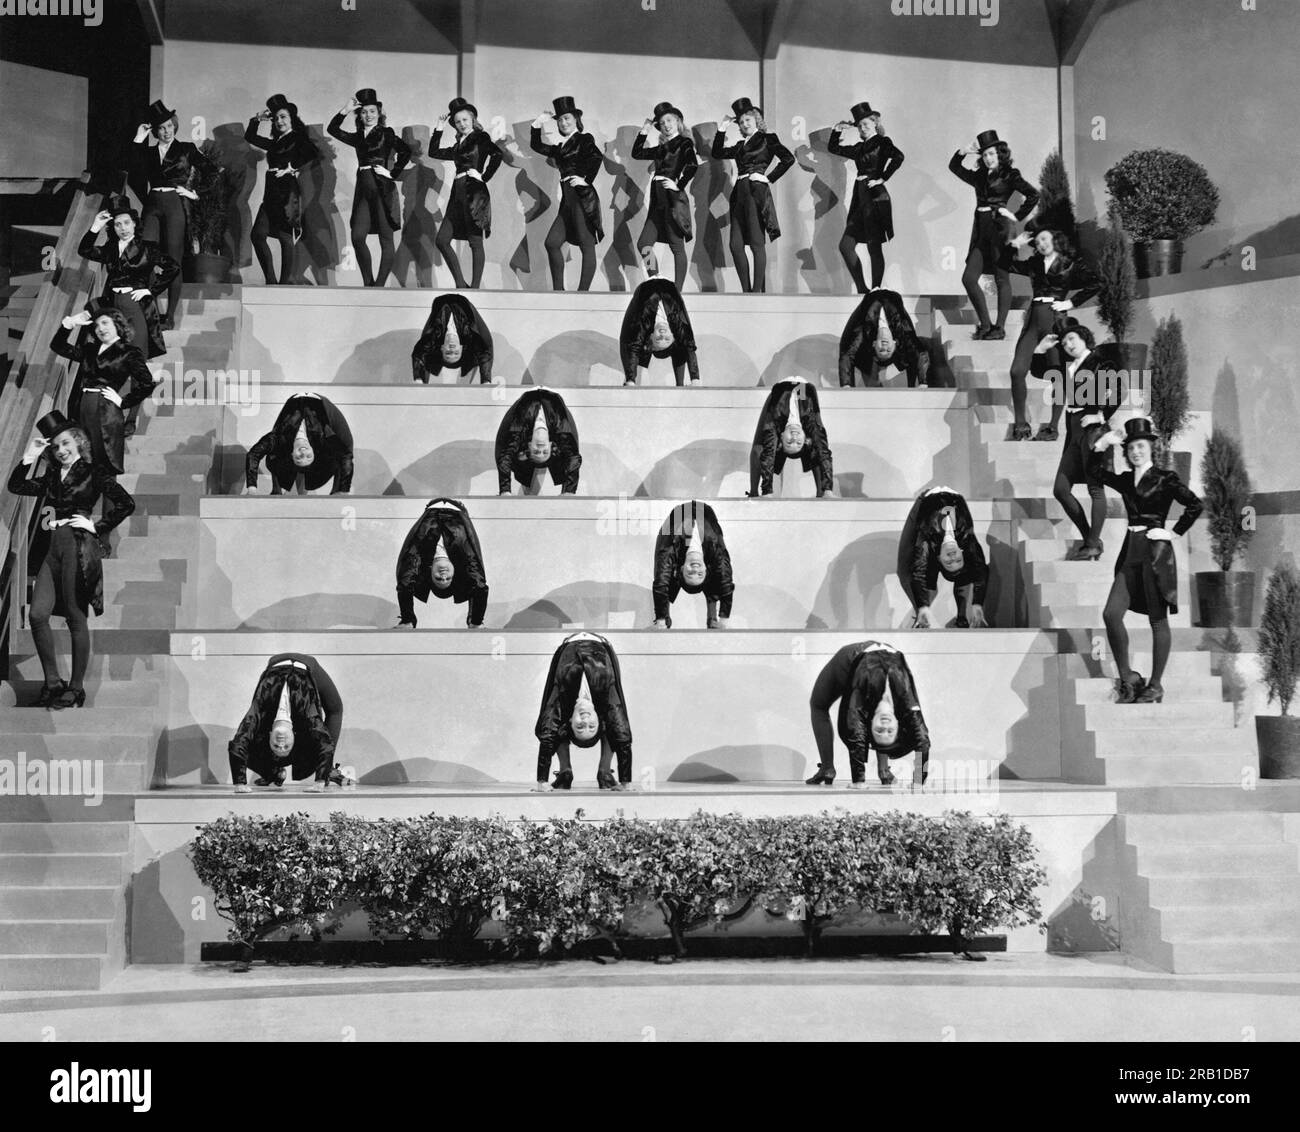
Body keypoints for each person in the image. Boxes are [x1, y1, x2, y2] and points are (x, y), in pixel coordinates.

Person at [7, 411, 135, 709]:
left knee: (75, 616)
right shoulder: (52, 475)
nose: (61, 451)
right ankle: (52, 682)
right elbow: (17, 486)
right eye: (56, 447)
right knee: (38, 614)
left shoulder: (94, 472)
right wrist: (29, 456)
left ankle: (76, 687)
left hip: (79, 547)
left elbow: (127, 503)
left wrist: (97, 526)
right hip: (52, 549)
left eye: (65, 444)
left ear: (78, 442)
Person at [1089, 417, 1203, 704]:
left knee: (1157, 621)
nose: (1136, 452)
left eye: (1141, 446)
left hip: (1156, 554)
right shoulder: (1127, 480)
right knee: (1111, 614)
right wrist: (1103, 445)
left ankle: (1155, 684)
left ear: (1151, 447)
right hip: (1130, 552)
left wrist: (1173, 532)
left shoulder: (1166, 478)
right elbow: (1096, 475)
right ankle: (1128, 676)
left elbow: (1195, 504)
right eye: (1131, 448)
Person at [1029, 319, 1121, 560]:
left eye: (1073, 339)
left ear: (1084, 339)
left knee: (1095, 488)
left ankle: (1091, 543)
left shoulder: (1100, 362)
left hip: (1093, 431)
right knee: (1060, 488)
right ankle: (1090, 537)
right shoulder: (1067, 368)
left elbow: (1118, 391)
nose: (1069, 344)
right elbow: (1038, 371)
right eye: (1065, 340)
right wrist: (1041, 349)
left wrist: (1100, 415)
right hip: (1073, 431)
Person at [1002, 227, 1100, 440]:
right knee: (1017, 371)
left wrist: (1071, 302)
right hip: (1033, 320)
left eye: (1044, 239)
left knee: (1058, 375)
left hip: (1055, 321)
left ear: (1055, 239)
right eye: (1037, 242)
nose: (1041, 244)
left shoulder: (1070, 264)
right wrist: (1014, 245)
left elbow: (1096, 283)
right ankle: (1021, 423)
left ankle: (1053, 427)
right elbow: (1004, 264)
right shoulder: (1034, 264)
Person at [948, 129, 1039, 342]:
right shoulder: (979, 175)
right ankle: (986, 324)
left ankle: (999, 327)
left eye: (992, 154)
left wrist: (1016, 215)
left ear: (1000, 154)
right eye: (985, 155)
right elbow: (954, 168)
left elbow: (1034, 195)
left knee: (1001, 278)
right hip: (981, 231)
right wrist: (963, 152)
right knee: (969, 278)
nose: (989, 159)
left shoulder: (1010, 174)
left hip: (1000, 230)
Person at [130, 99, 213, 329]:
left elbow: (213, 172)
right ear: (154, 131)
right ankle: (151, 314)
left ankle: (170, 317)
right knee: (145, 259)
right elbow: (129, 166)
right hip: (153, 206)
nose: (166, 132)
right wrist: (138, 137)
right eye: (160, 128)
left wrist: (194, 193)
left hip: (175, 205)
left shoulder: (186, 148)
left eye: (169, 126)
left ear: (174, 126)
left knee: (173, 262)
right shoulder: (147, 152)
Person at [806, 639, 931, 787]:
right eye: (889, 731)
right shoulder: (905, 697)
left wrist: (858, 781)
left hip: (862, 661)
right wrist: (918, 781)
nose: (885, 725)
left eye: (880, 730)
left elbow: (855, 729)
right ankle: (883, 770)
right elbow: (922, 739)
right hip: (855, 657)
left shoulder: (867, 692)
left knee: (821, 706)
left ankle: (828, 769)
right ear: (897, 726)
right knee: (825, 706)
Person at [51, 307, 159, 475]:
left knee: (106, 465)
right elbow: (58, 346)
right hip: (82, 407)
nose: (101, 328)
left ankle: (114, 501)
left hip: (105, 411)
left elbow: (147, 383)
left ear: (117, 325)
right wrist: (69, 323)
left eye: (105, 323)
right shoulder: (90, 350)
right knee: (84, 462)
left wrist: (123, 402)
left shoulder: (128, 352)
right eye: (96, 325)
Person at [77, 193, 179, 360]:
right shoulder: (110, 249)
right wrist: (95, 226)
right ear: (113, 227)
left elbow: (173, 267)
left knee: (136, 352)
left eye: (126, 223)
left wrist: (150, 291)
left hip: (136, 304)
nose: (123, 228)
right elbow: (84, 250)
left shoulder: (147, 248)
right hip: (113, 305)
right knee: (117, 356)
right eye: (117, 225)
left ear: (134, 224)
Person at [228, 653, 349, 793]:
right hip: (308, 665)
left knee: (248, 748)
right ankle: (326, 769)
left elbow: (237, 744)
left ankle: (272, 772)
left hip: (275, 662)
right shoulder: (307, 717)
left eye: (276, 746)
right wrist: (320, 781)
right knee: (335, 709)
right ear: (294, 737)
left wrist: (240, 784)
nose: (281, 743)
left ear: (270, 736)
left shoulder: (258, 714)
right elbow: (326, 744)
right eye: (286, 746)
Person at [327, 88, 411, 287]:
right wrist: (345, 110)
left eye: (372, 111)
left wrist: (392, 173)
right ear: (360, 115)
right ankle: (369, 282)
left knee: (385, 238)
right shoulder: (358, 137)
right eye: (364, 112)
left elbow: (405, 151)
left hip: (382, 188)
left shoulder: (386, 133)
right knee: (357, 236)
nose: (368, 115)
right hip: (363, 190)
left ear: (379, 112)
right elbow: (332, 130)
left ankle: (379, 285)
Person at [711, 97, 795, 293]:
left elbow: (788, 159)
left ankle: (757, 291)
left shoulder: (768, 139)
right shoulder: (740, 145)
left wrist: (769, 178)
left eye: (748, 120)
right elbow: (717, 152)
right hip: (739, 193)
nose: (744, 124)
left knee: (757, 242)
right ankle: (747, 290)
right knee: (735, 245)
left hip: (755, 192)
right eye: (740, 122)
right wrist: (723, 127)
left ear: (757, 120)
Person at [533, 631, 633, 791]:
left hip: (570, 643)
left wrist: (541, 781)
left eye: (580, 727)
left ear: (571, 722)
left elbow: (547, 733)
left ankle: (566, 770)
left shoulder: (563, 700)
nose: (585, 721)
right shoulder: (606, 699)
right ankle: (605, 771)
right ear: (597, 720)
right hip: (598, 643)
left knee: (555, 724)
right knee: (614, 722)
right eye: (591, 726)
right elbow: (622, 734)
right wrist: (626, 783)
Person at [826, 102, 905, 292]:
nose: (862, 128)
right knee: (846, 246)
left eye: (866, 124)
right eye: (859, 125)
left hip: (876, 198)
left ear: (875, 124)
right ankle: (863, 289)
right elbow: (834, 149)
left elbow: (899, 157)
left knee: (873, 246)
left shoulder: (883, 143)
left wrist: (882, 178)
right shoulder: (860, 148)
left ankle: (876, 288)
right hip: (860, 197)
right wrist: (837, 130)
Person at [429, 96, 505, 289]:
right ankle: (461, 284)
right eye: (457, 121)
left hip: (474, 192)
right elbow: (433, 152)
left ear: (472, 119)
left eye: (464, 120)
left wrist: (483, 176)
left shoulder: (481, 137)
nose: (461, 124)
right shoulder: (458, 145)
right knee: (442, 240)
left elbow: (497, 154)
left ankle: (475, 287)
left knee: (475, 241)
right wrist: (439, 127)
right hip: (457, 194)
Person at [529, 96, 604, 291]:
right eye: (560, 120)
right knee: (552, 243)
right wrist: (538, 123)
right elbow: (536, 146)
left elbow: (596, 157)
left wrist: (585, 179)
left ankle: (583, 292)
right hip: (567, 200)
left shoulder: (584, 139)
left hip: (581, 197)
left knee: (586, 244)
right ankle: (559, 292)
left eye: (567, 118)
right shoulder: (560, 147)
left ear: (576, 120)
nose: (563, 123)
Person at [245, 93, 320, 285]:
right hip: (271, 193)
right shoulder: (275, 142)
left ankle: (284, 282)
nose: (279, 121)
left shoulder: (297, 137)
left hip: (288, 193)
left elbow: (313, 152)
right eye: (276, 118)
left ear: (292, 118)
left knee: (285, 237)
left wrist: (291, 167)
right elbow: (250, 136)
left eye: (283, 117)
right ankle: (271, 280)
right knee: (258, 235)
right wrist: (257, 119)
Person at [631, 100, 699, 288]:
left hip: (672, 200)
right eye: (662, 123)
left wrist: (679, 185)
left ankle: (677, 291)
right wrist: (645, 129)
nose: (666, 126)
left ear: (678, 121)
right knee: (644, 244)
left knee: (677, 247)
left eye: (669, 121)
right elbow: (637, 153)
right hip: (657, 201)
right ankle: (656, 279)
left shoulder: (684, 142)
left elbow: (693, 165)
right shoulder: (661, 147)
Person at [394, 497, 489, 628]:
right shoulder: (465, 558)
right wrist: (475, 621)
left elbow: (405, 582)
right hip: (457, 508)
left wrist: (407, 619)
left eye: (438, 579)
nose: (443, 576)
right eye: (447, 579)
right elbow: (479, 586)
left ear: (431, 574)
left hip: (432, 508)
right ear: (454, 574)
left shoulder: (419, 556)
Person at [903, 486, 990, 629]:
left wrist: (923, 607)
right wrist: (977, 603)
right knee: (966, 574)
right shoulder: (967, 541)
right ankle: (962, 618)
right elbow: (981, 570)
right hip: (956, 493)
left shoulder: (928, 541)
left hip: (928, 495)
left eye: (948, 562)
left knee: (916, 572)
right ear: (962, 552)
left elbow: (918, 574)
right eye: (958, 560)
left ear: (939, 558)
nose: (952, 556)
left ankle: (923, 618)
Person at [245, 393, 354, 495]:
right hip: (322, 404)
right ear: (313, 452)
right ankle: (338, 491)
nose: (303, 452)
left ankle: (277, 490)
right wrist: (343, 489)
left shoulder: (280, 436)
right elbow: (345, 454)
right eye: (308, 456)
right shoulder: (322, 435)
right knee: (344, 450)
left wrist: (251, 487)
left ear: (292, 454)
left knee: (275, 454)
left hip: (294, 401)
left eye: (299, 457)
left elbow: (254, 454)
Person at [651, 500, 734, 629]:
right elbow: (726, 580)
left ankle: (663, 617)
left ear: (682, 568)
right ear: (706, 567)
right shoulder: (714, 547)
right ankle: (713, 618)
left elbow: (661, 582)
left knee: (663, 568)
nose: (695, 569)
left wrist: (661, 620)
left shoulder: (670, 548)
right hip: (705, 511)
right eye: (700, 573)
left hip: (678, 514)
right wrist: (724, 619)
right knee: (719, 570)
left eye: (690, 573)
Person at [748, 377, 834, 498]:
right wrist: (828, 490)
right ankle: (822, 491)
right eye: (798, 443)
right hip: (804, 386)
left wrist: (767, 491)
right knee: (818, 447)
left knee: (762, 444)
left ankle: (753, 491)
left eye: (789, 442)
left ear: (781, 437)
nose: (794, 438)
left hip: (781, 387)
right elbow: (824, 452)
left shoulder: (775, 423)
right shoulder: (811, 423)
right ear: (805, 438)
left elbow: (768, 453)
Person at [837, 288, 931, 388]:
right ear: (894, 343)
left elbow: (847, 354)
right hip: (891, 289)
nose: (885, 346)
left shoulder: (865, 331)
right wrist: (923, 383)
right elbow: (921, 354)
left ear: (874, 344)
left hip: (871, 292)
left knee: (851, 348)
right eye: (888, 350)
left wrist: (846, 385)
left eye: (881, 350)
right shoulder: (902, 333)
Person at [494, 388, 581, 495]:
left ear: (529, 446)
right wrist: (569, 491)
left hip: (528, 392)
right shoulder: (560, 428)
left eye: (536, 452)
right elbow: (573, 456)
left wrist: (505, 490)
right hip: (551, 390)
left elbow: (505, 455)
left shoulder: (519, 428)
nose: (541, 449)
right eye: (545, 452)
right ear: (550, 446)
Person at [619, 277, 699, 386]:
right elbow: (689, 345)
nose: (662, 334)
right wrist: (695, 380)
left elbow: (633, 346)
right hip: (668, 285)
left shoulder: (645, 324)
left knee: (632, 341)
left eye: (658, 338)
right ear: (673, 336)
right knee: (683, 344)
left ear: (651, 336)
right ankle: (679, 383)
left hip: (646, 287)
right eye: (666, 338)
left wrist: (630, 380)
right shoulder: (677, 324)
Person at [411, 293, 494, 384]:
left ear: (442, 348)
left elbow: (419, 353)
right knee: (485, 342)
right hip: (462, 302)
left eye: (448, 352)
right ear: (461, 347)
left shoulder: (436, 334)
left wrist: (418, 379)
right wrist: (486, 380)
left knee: (426, 339)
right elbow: (484, 354)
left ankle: (423, 381)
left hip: (441, 302)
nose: (452, 349)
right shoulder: (467, 333)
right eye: (456, 353)